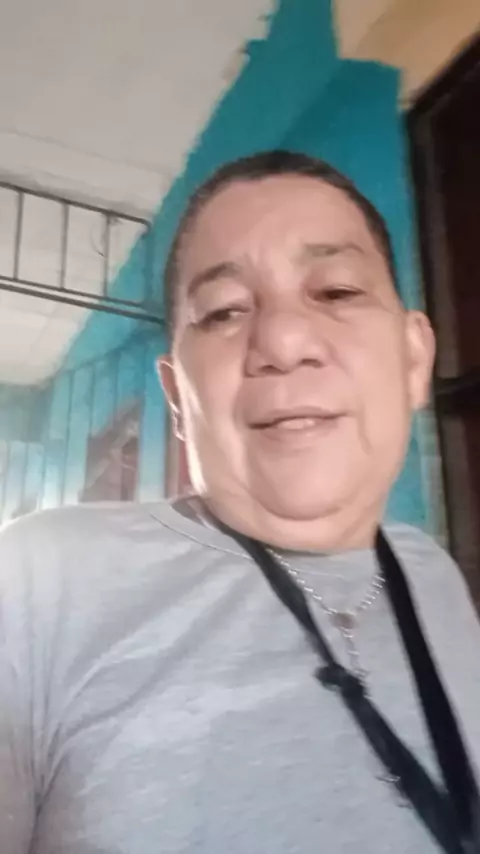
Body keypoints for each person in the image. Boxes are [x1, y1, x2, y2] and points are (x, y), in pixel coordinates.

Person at [1, 151, 479, 854]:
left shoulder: (433, 574)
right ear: (178, 397)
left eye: (337, 291)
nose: (282, 342)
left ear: (413, 360)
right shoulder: (36, 584)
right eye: (224, 311)